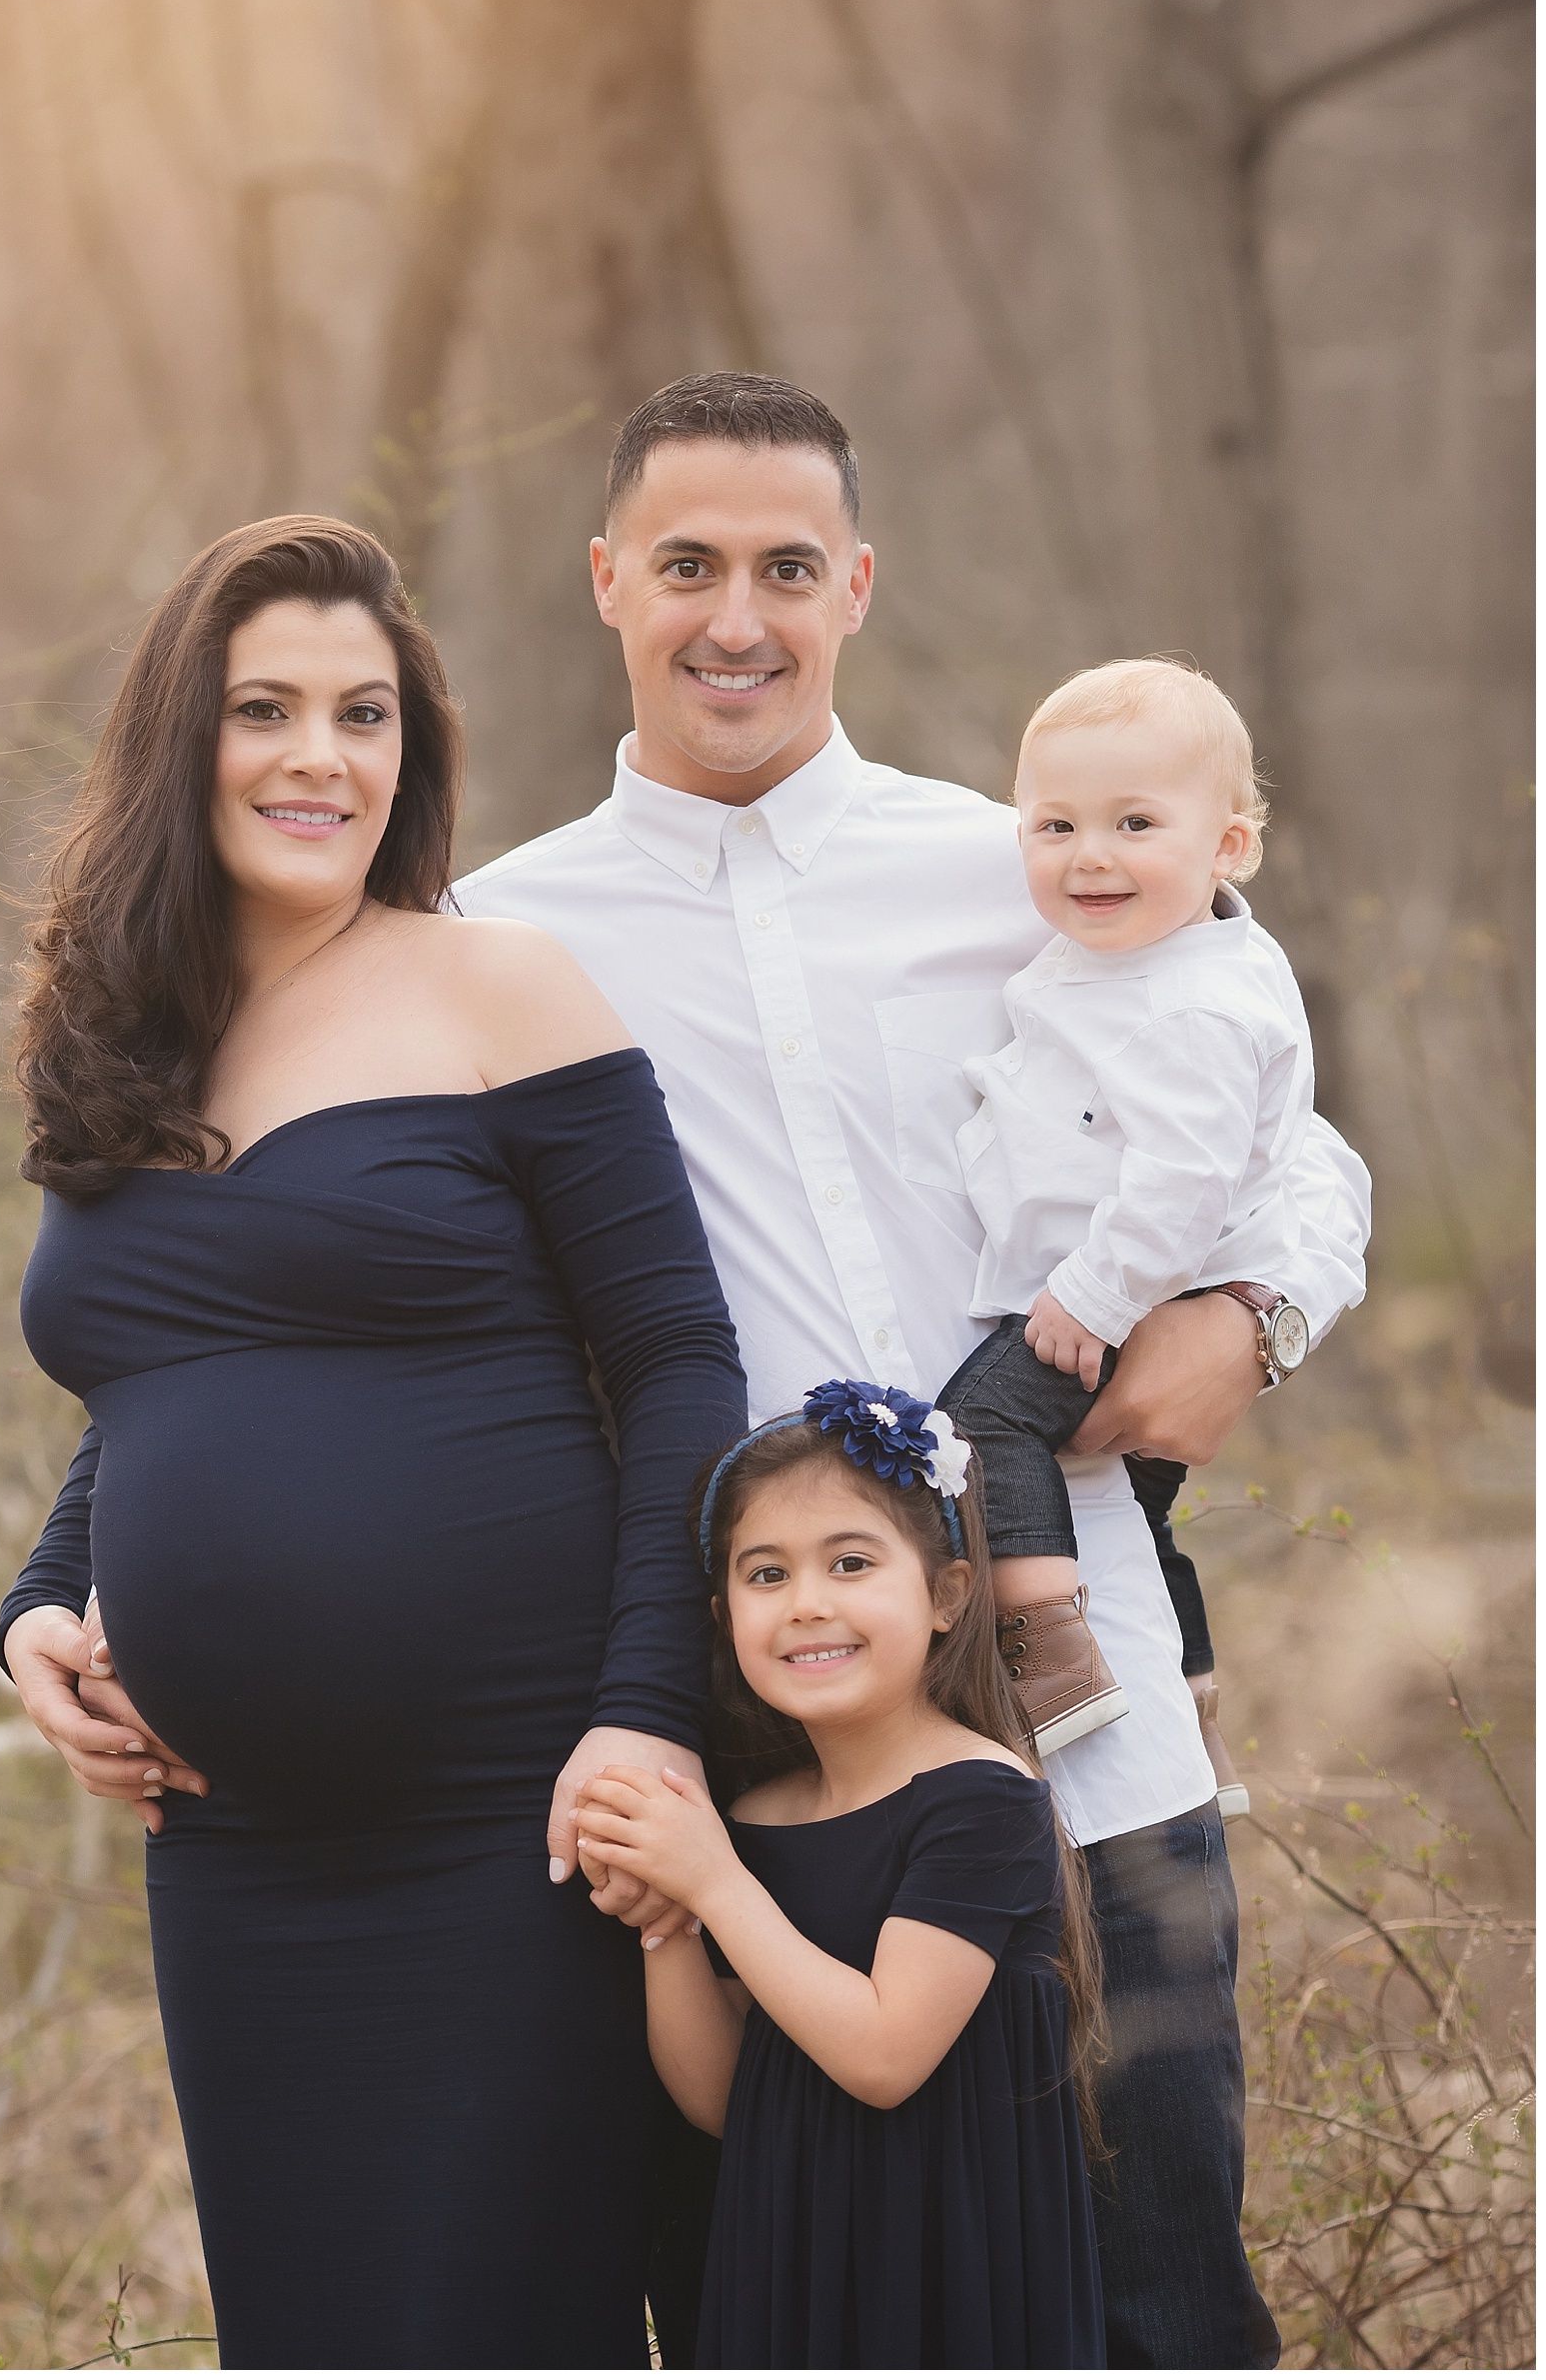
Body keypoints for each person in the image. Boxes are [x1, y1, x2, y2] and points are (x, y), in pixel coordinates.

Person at [455, 371, 1370, 2369]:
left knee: (1158, 2301)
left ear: (857, 584)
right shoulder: (500, 939)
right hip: (762, 1763)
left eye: (789, 567)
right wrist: (82, 1563)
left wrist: (1252, 1315)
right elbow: (334, 1277)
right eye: (686, 564)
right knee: (781, 2300)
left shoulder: (1023, 867)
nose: (738, 617)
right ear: (606, 578)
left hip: (1086, 1709)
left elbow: (1295, 1142)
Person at [0, 516, 747, 2369]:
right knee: (315, 2322)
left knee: (514, 2311)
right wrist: (37, 1604)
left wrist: (647, 1713)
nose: (318, 755)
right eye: (265, 708)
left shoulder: (499, 988)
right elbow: (154, 1382)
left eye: (365, 713)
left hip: (515, 1817)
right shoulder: (125, 1039)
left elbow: (675, 1358)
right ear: (183, 740)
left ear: (412, 749)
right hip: (235, 1851)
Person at [576, 1381, 1106, 2369]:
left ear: (948, 1594)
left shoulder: (981, 1799)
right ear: (723, 1612)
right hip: (794, 2268)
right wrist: (669, 1917)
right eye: (765, 1575)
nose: (808, 1602)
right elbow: (725, 2099)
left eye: (851, 1563)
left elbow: (883, 2054)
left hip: (950, 2277)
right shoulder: (752, 1821)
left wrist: (715, 1885)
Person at [940, 655, 1318, 1794]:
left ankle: (1044, 1654)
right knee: (1144, 1515)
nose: (1089, 854)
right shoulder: (1148, 957)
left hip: (1124, 1295)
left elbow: (1188, 1178)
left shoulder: (1191, 1001)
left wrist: (1090, 1299)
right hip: (1121, 1284)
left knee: (982, 1421)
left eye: (1134, 823)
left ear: (1229, 847)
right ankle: (1191, 1691)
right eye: (1054, 824)